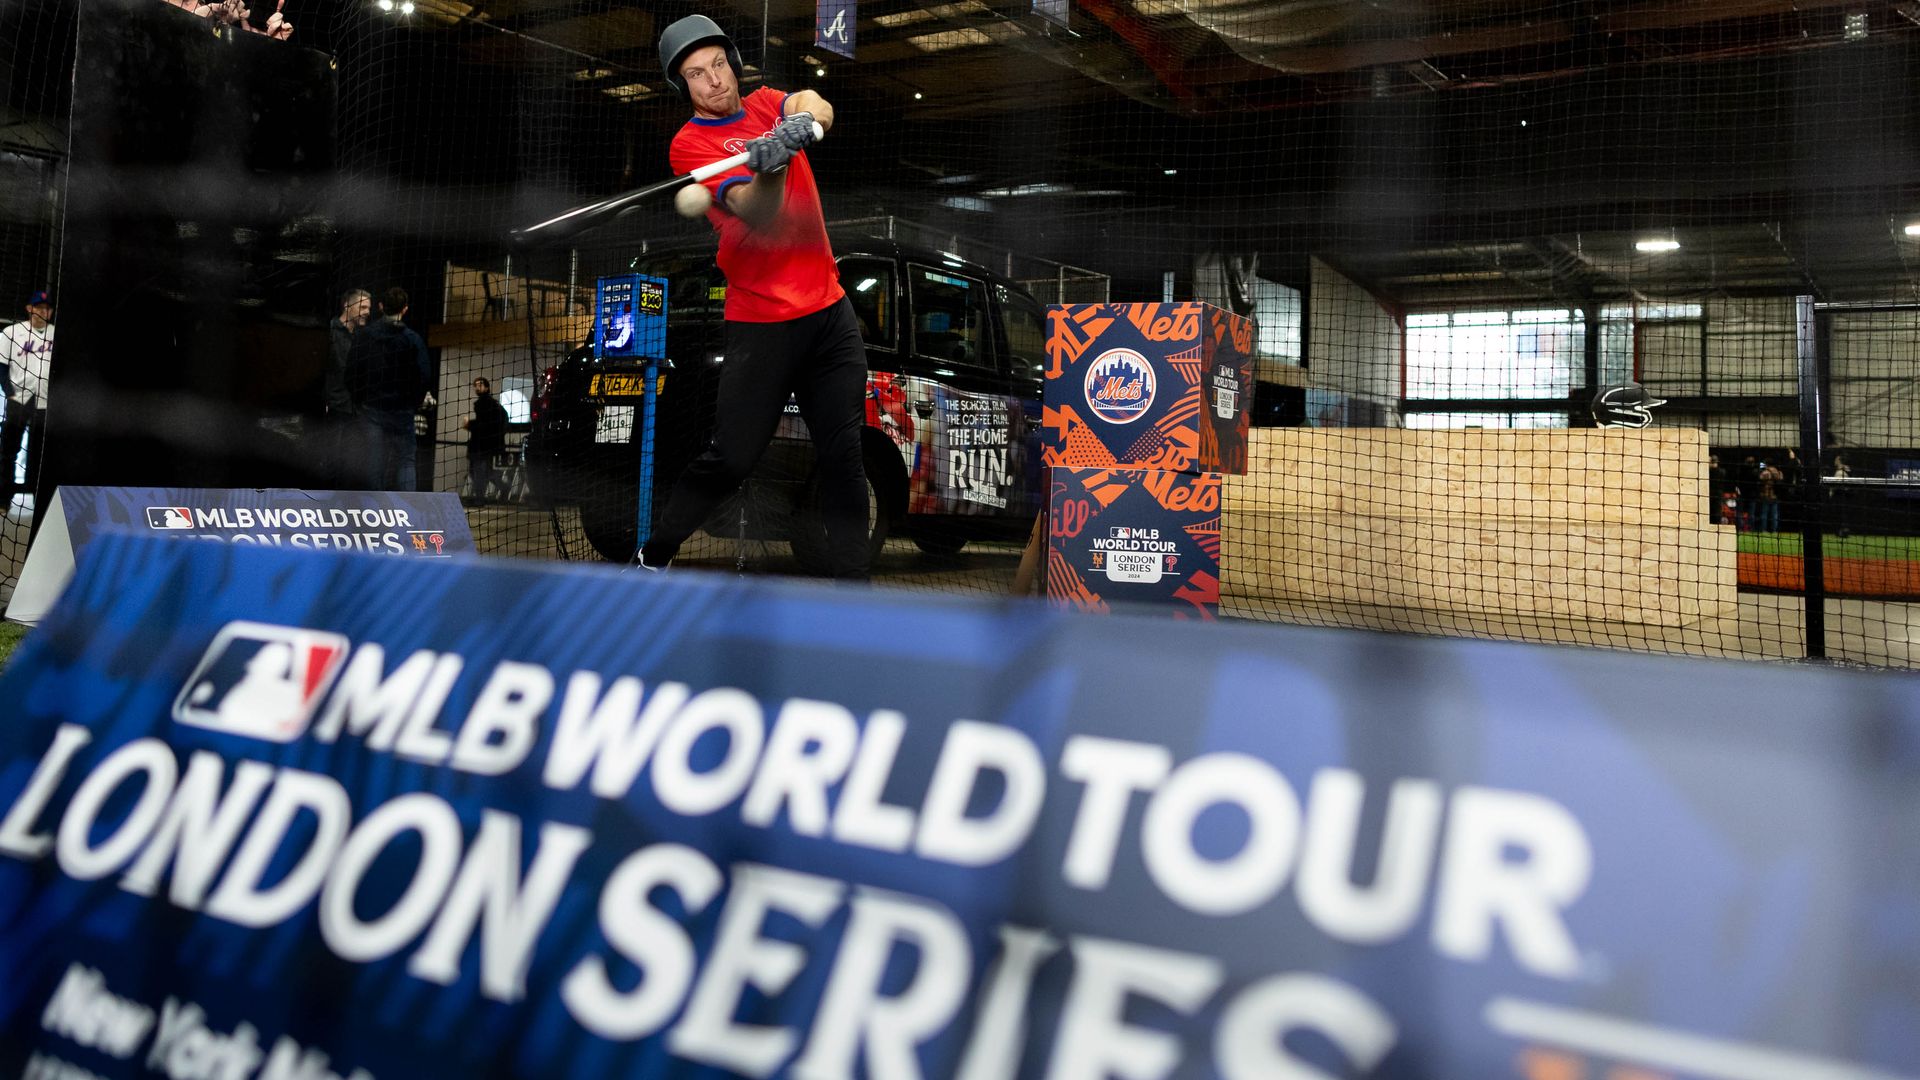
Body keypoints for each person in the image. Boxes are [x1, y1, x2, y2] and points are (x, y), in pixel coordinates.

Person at [637, 14, 869, 579]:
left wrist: (802, 122)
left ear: (733, 63)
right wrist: (773, 164)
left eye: (718, 64)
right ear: (683, 85)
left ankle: (855, 589)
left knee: (843, 454)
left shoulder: (766, 102)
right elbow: (759, 212)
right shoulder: (690, 145)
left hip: (829, 313)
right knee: (732, 459)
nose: (714, 80)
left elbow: (815, 103)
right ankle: (654, 555)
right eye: (697, 73)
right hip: (762, 323)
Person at [346, 286, 430, 490]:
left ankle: (375, 508)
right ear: (405, 309)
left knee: (374, 463)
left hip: (372, 410)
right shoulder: (412, 340)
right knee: (406, 461)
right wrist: (413, 403)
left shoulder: (364, 336)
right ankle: (407, 508)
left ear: (381, 306)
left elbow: (352, 371)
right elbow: (424, 376)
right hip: (402, 411)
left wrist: (359, 400)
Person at [0, 290, 55, 510]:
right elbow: (1, 367)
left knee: (40, 455)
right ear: (29, 308)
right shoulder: (11, 332)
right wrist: (9, 392)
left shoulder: (56, 333)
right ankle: (3, 498)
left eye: (47, 308)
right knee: (9, 450)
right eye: (39, 307)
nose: (43, 311)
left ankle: (38, 500)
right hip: (19, 400)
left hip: (46, 402)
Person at [326, 287, 370, 486]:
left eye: (368, 308)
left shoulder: (363, 338)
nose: (367, 312)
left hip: (356, 411)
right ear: (346, 305)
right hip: (333, 408)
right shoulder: (329, 332)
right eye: (362, 307)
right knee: (331, 464)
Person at [464, 376, 508, 504]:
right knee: (483, 471)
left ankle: (479, 499)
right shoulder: (493, 404)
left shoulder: (486, 404)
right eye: (476, 385)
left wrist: (469, 424)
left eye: (480, 385)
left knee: (478, 471)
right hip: (487, 445)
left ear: (487, 387)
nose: (477, 388)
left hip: (482, 445)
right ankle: (503, 488)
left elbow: (484, 425)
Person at [1753, 459, 1784, 533]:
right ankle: (1774, 530)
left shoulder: (1765, 472)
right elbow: (1781, 479)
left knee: (1764, 513)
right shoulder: (1778, 472)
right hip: (1775, 495)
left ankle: (1764, 529)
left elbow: (1760, 478)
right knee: (1774, 514)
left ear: (1767, 464)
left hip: (1766, 495)